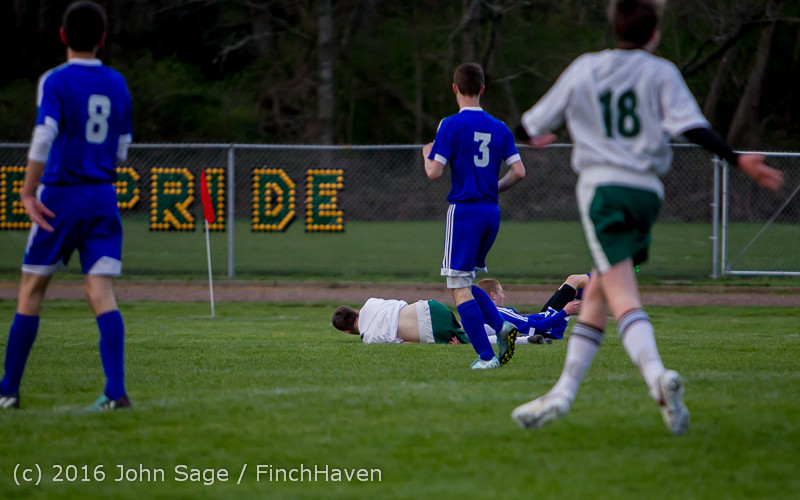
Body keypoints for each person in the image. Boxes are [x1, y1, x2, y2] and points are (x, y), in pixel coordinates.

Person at [511, 0, 783, 435]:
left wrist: (538, 136)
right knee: (599, 289)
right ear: (655, 33)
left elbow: (528, 126)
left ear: (613, 25)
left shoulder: (586, 67)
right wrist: (735, 159)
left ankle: (657, 376)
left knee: (620, 293)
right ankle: (562, 393)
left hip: (603, 192)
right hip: (646, 194)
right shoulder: (661, 72)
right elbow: (693, 128)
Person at [0, 1, 134, 411]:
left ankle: (7, 391)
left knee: (32, 289)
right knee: (100, 291)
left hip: (60, 195)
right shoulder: (118, 83)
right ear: (103, 39)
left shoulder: (55, 81)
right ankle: (116, 391)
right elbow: (123, 151)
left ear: (62, 36)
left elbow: (44, 136)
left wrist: (27, 191)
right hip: (103, 195)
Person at [422, 62, 526, 369]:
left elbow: (434, 172)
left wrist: (426, 154)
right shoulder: (500, 127)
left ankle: (485, 356)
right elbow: (519, 172)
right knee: (467, 281)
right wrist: (495, 188)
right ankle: (501, 326)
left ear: (454, 89)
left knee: (457, 287)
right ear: (482, 89)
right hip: (491, 212)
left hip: (465, 211)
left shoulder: (449, 125)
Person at [476, 273, 588, 341]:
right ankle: (604, 277)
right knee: (573, 280)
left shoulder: (489, 313)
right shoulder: (499, 312)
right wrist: (565, 311)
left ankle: (599, 293)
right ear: (493, 296)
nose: (503, 295)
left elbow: (527, 321)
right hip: (549, 330)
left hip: (544, 321)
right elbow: (539, 327)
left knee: (568, 288)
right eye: (501, 292)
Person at [332, 299, 470, 345]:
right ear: (356, 311)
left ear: (347, 332)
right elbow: (400, 303)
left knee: (473, 341)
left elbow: (406, 344)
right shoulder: (371, 302)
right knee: (467, 329)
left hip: (432, 331)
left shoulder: (369, 337)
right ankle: (490, 324)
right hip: (431, 306)